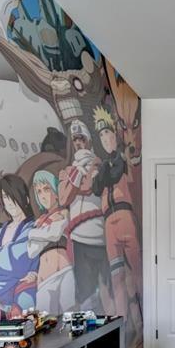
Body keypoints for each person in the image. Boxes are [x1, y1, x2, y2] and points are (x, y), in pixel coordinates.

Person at [91, 106, 142, 338]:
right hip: (109, 223)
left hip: (125, 217)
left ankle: (146, 321)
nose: (106, 139)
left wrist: (105, 168)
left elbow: (112, 176)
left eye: (108, 134)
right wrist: (102, 169)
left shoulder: (120, 160)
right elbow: (96, 187)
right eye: (101, 136)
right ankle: (122, 327)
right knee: (117, 277)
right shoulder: (103, 165)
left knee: (138, 272)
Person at [59, 119, 111, 312]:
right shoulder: (68, 171)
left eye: (81, 139)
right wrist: (77, 173)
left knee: (107, 288)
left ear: (89, 141)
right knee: (85, 292)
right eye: (75, 140)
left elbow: (90, 188)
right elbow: (63, 198)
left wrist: (85, 171)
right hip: (79, 239)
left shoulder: (99, 165)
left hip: (100, 236)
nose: (79, 143)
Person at [0, 174, 39, 320]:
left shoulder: (35, 228)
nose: (9, 202)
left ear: (25, 198)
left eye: (12, 196)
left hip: (24, 297)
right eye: (5, 197)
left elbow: (19, 264)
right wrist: (3, 260)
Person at [28, 170, 75, 314]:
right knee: (46, 327)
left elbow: (55, 234)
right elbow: (32, 251)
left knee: (69, 320)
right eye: (39, 191)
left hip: (64, 272)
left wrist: (34, 234)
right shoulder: (38, 222)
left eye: (46, 189)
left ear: (55, 190)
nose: (43, 195)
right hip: (44, 280)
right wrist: (38, 232)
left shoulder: (64, 213)